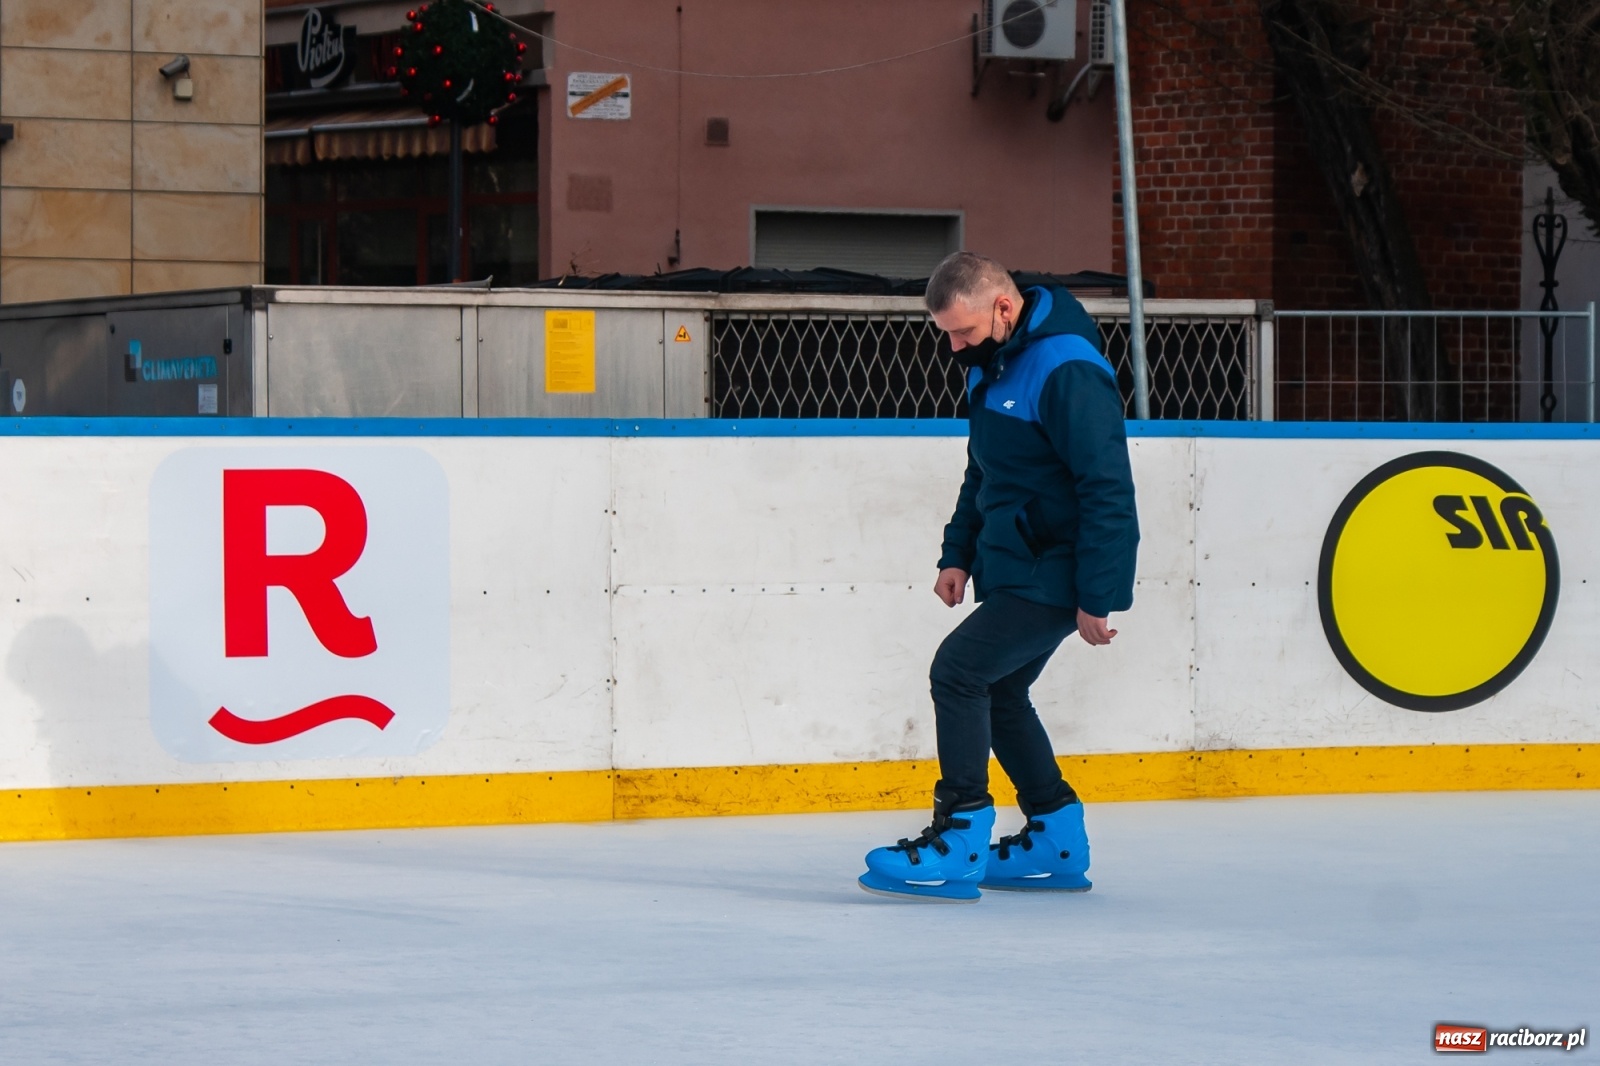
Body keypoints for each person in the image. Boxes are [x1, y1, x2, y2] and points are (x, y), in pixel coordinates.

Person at [858, 252, 1140, 902]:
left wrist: (1097, 594)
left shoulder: (1065, 367)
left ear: (1003, 308)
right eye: (947, 334)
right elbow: (984, 471)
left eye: (962, 331)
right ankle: (1056, 839)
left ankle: (958, 836)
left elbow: (1107, 486)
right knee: (1001, 690)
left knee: (958, 671)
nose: (954, 347)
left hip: (1057, 569)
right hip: (1015, 564)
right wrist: (957, 553)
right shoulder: (993, 364)